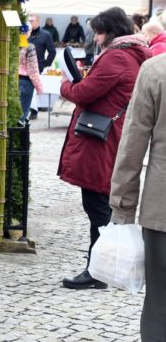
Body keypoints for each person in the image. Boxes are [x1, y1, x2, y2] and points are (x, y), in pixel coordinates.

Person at [57, 7, 151, 290]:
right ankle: (99, 269)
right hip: (111, 136)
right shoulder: (132, 54)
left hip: (101, 140)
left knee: (97, 206)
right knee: (100, 204)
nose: (96, 38)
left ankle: (98, 271)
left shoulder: (117, 57)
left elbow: (84, 93)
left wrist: (66, 85)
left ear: (111, 32)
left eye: (98, 33)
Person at [110, 53, 166, 341]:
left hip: (162, 211)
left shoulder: (156, 70)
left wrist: (122, 207)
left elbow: (132, 144)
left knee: (160, 305)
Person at [18, 29, 43, 125]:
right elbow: (33, 69)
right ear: (27, 32)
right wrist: (39, 87)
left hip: (12, 81)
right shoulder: (29, 47)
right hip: (26, 82)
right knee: (22, 116)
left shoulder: (11, 46)